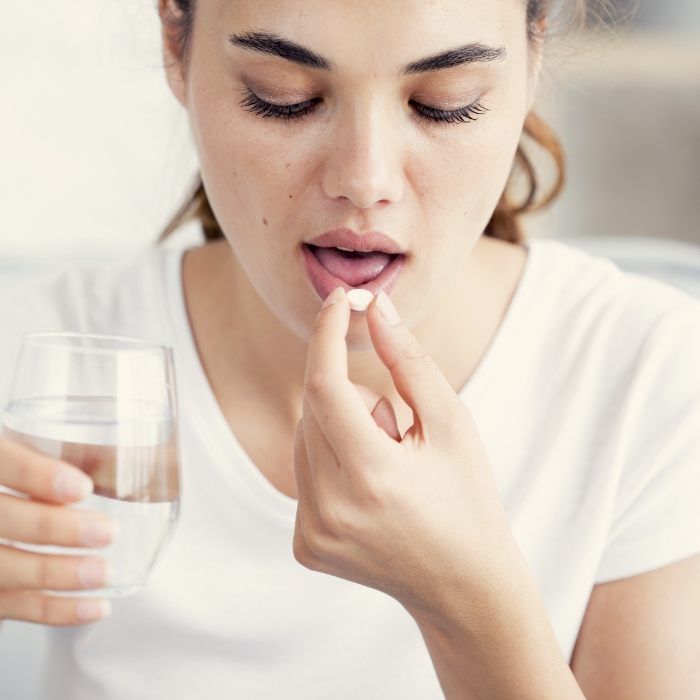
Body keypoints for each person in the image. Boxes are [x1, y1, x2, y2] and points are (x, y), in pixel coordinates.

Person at [0, 0, 699, 697]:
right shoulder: (36, 363)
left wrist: (465, 600)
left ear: (533, 55)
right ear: (175, 42)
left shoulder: (650, 380)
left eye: (442, 104)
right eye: (283, 99)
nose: (366, 182)